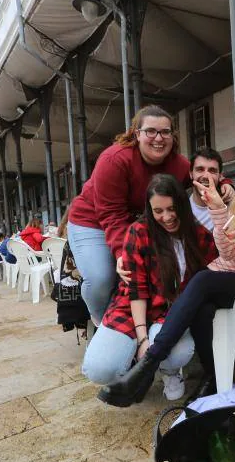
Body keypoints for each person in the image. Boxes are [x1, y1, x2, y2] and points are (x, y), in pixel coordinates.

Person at [103, 139, 235, 406]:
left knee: (202, 280)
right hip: (226, 276)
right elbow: (227, 253)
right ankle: (213, 377)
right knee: (202, 306)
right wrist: (218, 209)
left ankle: (149, 363)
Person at [67, 105, 235, 327]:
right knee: (102, 278)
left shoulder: (178, 164)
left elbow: (202, 173)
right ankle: (100, 322)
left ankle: (148, 324)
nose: (159, 138)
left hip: (138, 225)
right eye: (151, 131)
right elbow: (111, 215)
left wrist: (224, 183)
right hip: (92, 222)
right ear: (137, 134)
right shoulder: (113, 159)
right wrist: (122, 251)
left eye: (165, 132)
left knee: (148, 276)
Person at [83, 174, 218, 406]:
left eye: (172, 208)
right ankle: (135, 359)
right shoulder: (139, 231)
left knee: (177, 354)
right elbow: (137, 291)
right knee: (100, 370)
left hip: (171, 312)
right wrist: (143, 338)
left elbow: (218, 266)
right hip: (131, 307)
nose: (166, 217)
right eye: (158, 211)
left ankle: (167, 370)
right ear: (150, 209)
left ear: (182, 205)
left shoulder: (199, 235)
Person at [188, 147, 225, 232]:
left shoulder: (232, 206)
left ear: (220, 176)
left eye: (212, 171)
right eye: (200, 170)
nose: (206, 176)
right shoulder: (180, 207)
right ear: (191, 174)